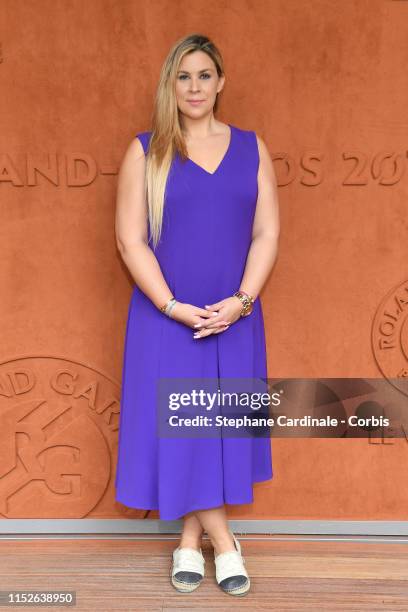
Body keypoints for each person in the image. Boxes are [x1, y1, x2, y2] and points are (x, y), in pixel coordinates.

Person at [114, 33, 280, 597]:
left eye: (204, 75)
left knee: (213, 429)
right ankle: (226, 544)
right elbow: (130, 241)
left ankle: (189, 540)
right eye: (183, 76)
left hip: (234, 314)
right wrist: (173, 307)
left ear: (221, 82)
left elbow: (267, 233)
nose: (194, 87)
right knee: (187, 428)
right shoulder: (146, 150)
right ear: (170, 85)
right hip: (166, 317)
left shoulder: (253, 147)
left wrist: (241, 302)